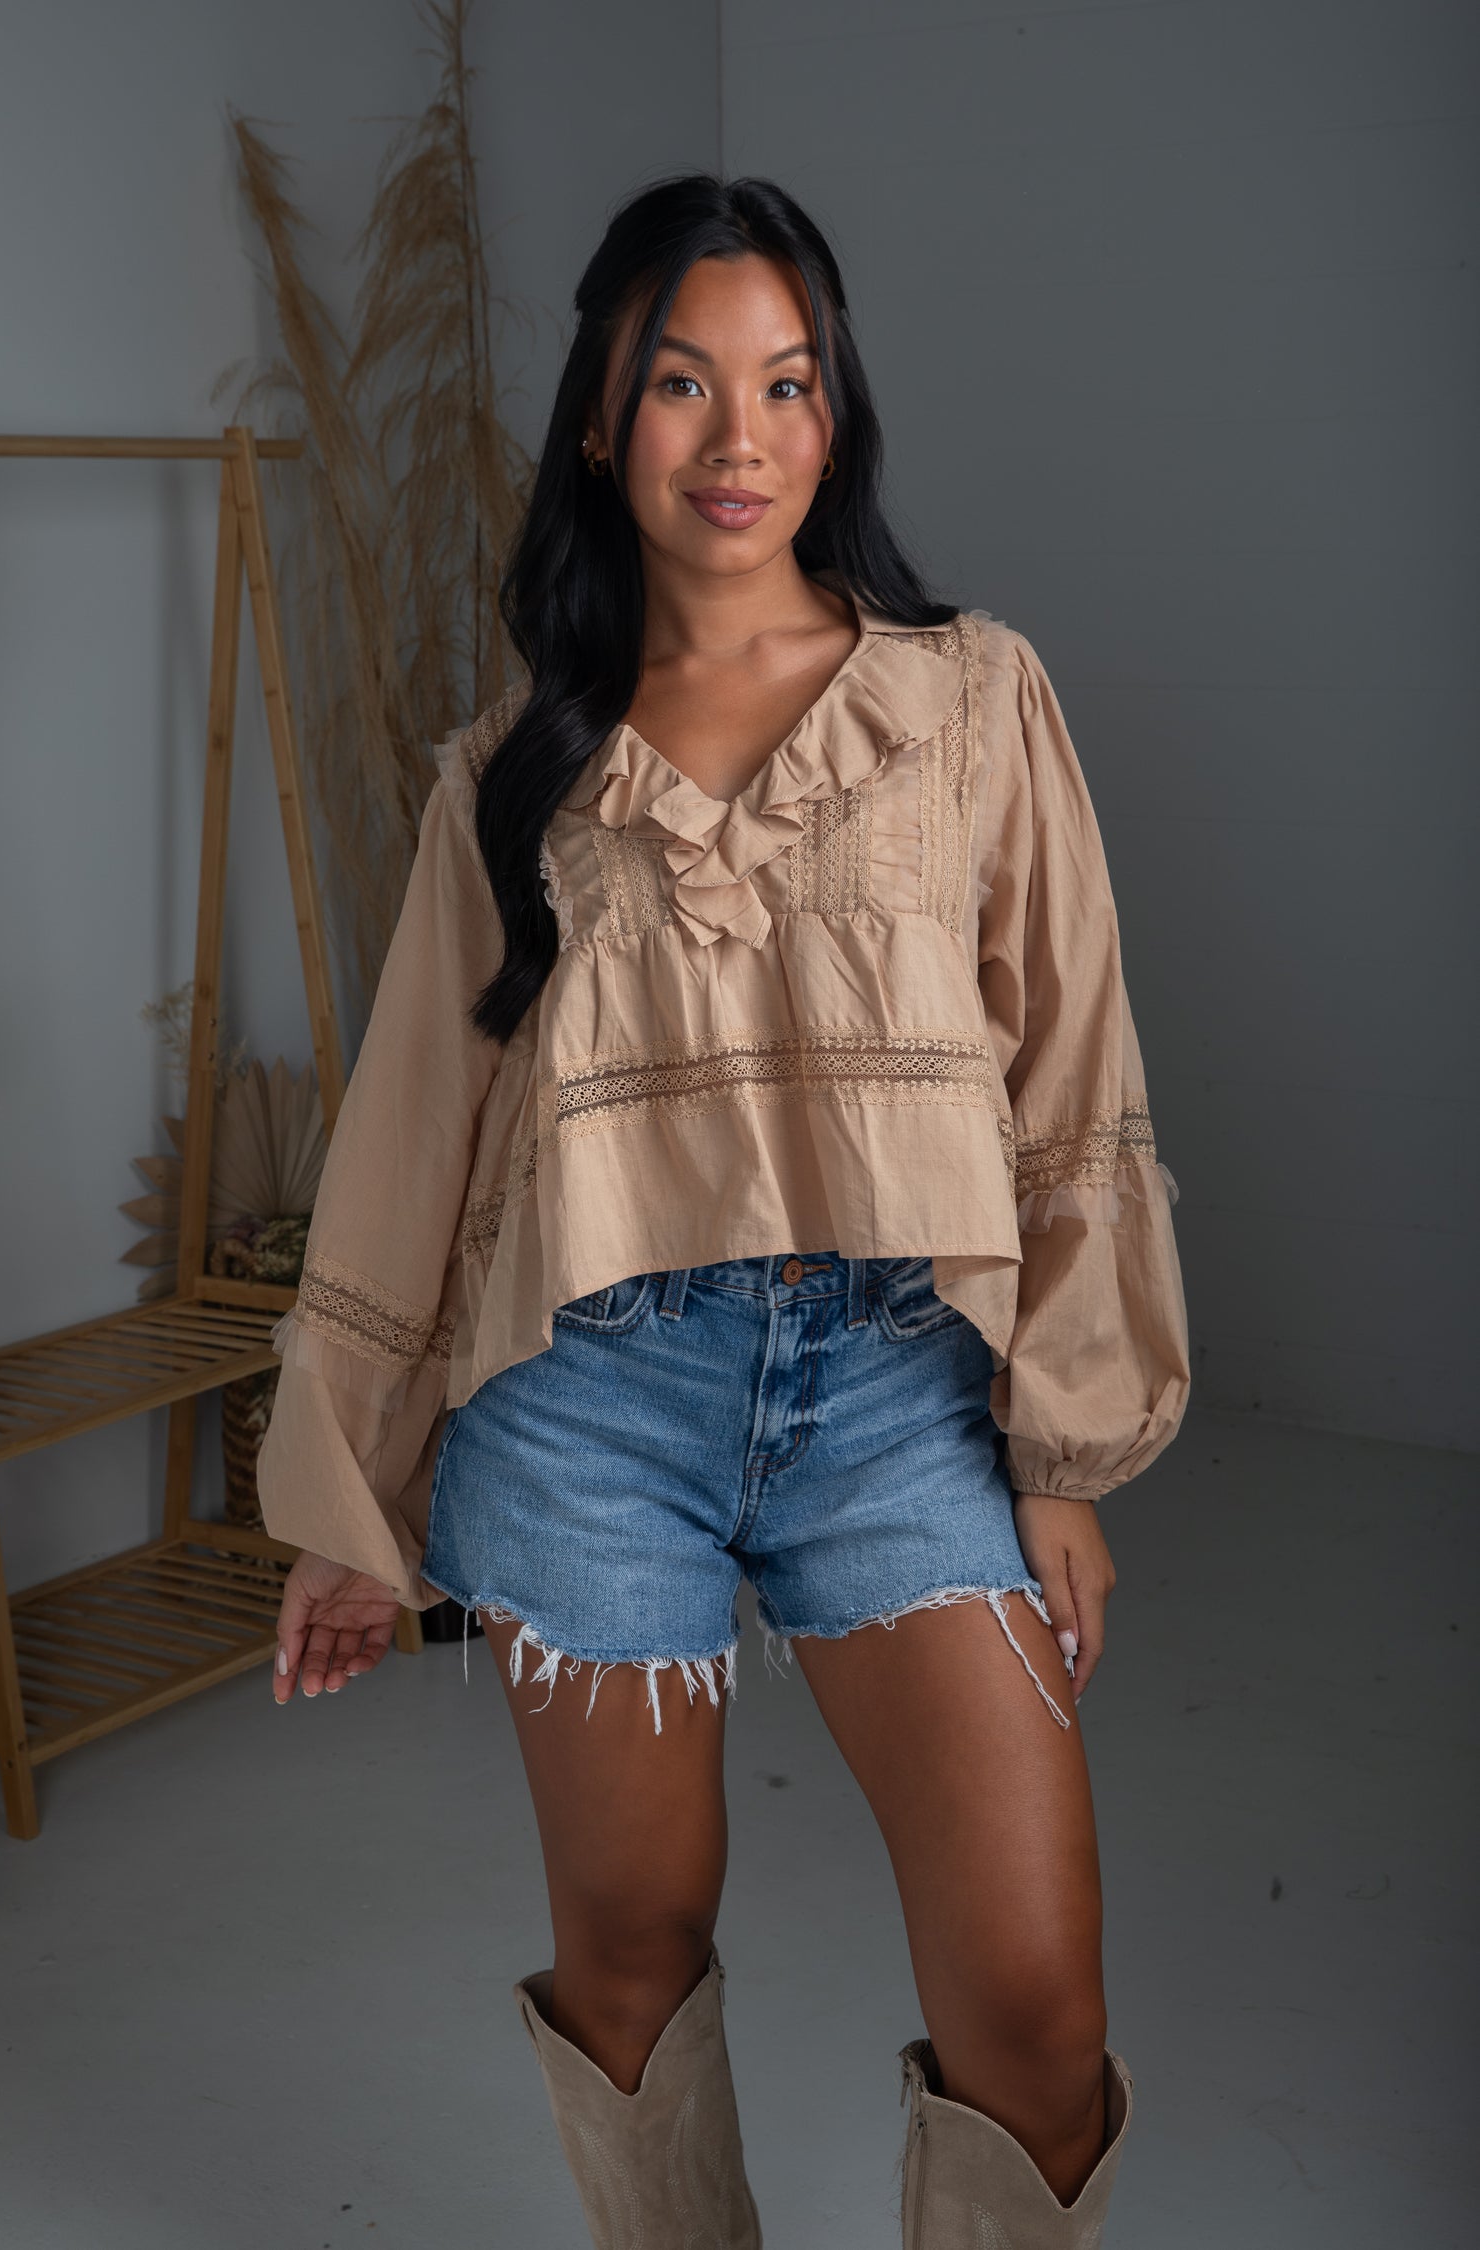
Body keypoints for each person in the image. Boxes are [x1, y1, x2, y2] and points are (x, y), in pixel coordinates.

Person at [256, 172, 1191, 2249]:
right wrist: (350, 1500)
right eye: (682, 383)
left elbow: (1075, 1076)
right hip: (585, 1413)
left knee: (1037, 2012)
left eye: (787, 384)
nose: (740, 435)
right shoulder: (512, 771)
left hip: (898, 1402)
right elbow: (418, 1143)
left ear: (834, 420)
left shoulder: (968, 703)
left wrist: (1065, 1453)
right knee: (629, 1956)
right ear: (603, 418)